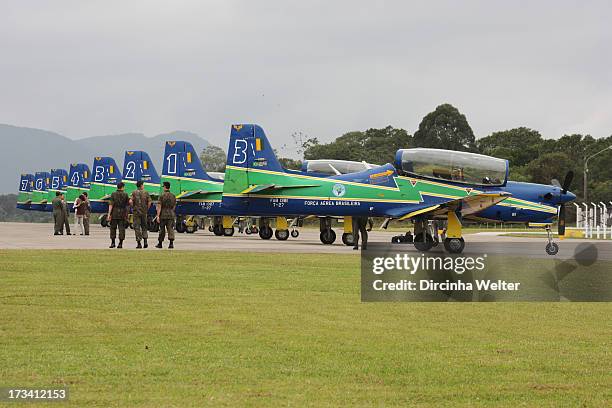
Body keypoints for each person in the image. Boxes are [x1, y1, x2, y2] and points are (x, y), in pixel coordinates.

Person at [130, 180, 152, 249]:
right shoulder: (146, 193)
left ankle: (139, 243)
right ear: (141, 185)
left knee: (137, 227)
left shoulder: (134, 192)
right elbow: (149, 202)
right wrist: (146, 209)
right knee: (144, 227)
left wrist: (133, 207)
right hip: (144, 212)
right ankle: (145, 242)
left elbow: (130, 201)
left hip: (136, 212)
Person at [107, 182, 129, 248]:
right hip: (122, 214)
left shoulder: (113, 194)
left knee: (113, 228)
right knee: (121, 229)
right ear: (122, 187)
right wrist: (127, 214)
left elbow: (111, 205)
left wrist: (109, 214)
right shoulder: (125, 194)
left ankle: (113, 243)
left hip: (114, 213)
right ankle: (120, 243)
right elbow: (128, 205)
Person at [156, 181, 177, 249]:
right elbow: (174, 206)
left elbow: (159, 206)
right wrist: (171, 212)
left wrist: (158, 216)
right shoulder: (173, 196)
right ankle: (171, 244)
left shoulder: (161, 196)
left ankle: (160, 243)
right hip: (171, 214)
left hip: (163, 214)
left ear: (164, 187)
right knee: (170, 229)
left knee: (162, 230)